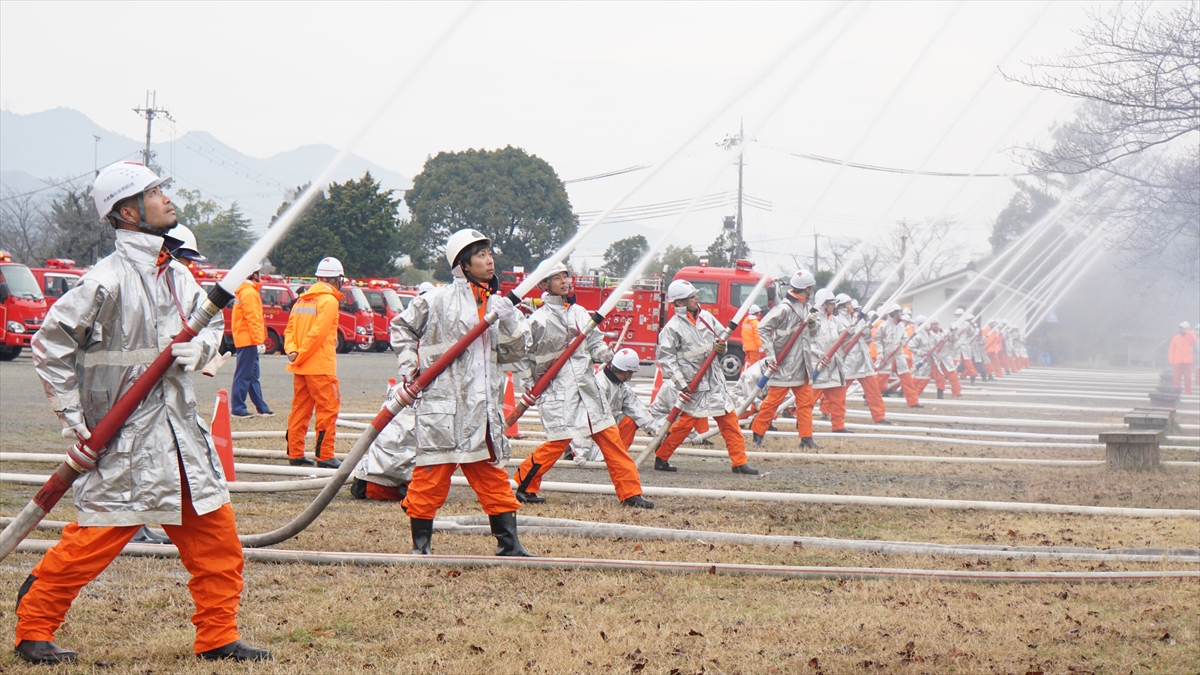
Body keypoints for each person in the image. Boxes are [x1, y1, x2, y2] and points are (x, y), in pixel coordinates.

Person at [17, 162, 269, 664]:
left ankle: (218, 638)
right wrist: (76, 422)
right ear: (128, 212)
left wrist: (197, 351)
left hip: (182, 439)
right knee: (91, 544)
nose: (166, 198)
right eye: (154, 192)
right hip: (126, 442)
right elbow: (49, 347)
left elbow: (211, 330)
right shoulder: (104, 281)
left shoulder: (178, 275)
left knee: (218, 544)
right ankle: (34, 629)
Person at [394, 229, 533, 556]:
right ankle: (421, 547)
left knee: (493, 478)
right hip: (444, 407)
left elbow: (515, 353)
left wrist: (510, 322)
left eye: (489, 253)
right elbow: (402, 327)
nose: (490, 260)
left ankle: (509, 545)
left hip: (482, 412)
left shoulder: (498, 305)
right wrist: (409, 362)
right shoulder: (437, 300)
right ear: (463, 265)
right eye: (481, 255)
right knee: (430, 476)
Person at [511, 265, 653, 508]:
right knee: (557, 443)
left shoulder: (580, 313)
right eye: (557, 278)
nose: (564, 281)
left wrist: (605, 354)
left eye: (566, 276)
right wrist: (529, 382)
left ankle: (631, 493)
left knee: (612, 441)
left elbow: (594, 342)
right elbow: (523, 356)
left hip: (588, 391)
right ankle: (523, 485)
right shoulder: (538, 320)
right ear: (545, 285)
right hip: (559, 392)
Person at [654, 279, 758, 473]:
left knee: (730, 421)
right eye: (692, 296)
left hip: (714, 380)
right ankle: (661, 457)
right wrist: (681, 384)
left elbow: (722, 339)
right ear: (680, 302)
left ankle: (739, 462)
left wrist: (721, 348)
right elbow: (666, 359)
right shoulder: (672, 328)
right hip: (693, 384)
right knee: (685, 424)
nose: (697, 298)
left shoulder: (707, 318)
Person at [283, 257, 345, 469]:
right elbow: (317, 333)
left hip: (300, 367)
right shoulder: (329, 301)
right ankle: (325, 455)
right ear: (337, 279)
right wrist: (300, 354)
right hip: (319, 367)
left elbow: (289, 330)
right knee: (328, 408)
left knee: (300, 409)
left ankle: (295, 452)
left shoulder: (302, 299)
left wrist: (292, 351)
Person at [751, 270, 822, 449]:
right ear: (805, 288)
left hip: (802, 364)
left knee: (806, 403)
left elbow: (812, 332)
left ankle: (806, 438)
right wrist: (770, 354)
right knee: (772, 402)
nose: (812, 290)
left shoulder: (807, 306)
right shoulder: (784, 308)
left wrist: (812, 322)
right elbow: (762, 327)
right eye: (810, 287)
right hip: (784, 365)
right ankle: (757, 434)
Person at [230, 264, 272, 419]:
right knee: (244, 375)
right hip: (248, 340)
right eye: (258, 273)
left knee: (252, 375)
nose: (259, 275)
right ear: (252, 274)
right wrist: (258, 340)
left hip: (246, 339)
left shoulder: (245, 291)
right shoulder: (249, 293)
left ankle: (261, 407)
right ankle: (238, 408)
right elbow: (253, 319)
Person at [839, 297, 890, 425]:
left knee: (874, 391)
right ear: (842, 306)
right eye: (849, 303)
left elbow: (867, 340)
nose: (851, 306)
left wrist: (867, 333)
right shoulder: (837, 320)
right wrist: (846, 334)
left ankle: (879, 417)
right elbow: (837, 341)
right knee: (838, 391)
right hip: (848, 361)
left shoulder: (859, 319)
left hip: (863, 359)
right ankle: (826, 410)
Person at [810, 289, 850, 433]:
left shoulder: (835, 321)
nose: (834, 306)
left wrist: (853, 330)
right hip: (817, 366)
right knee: (808, 401)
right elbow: (805, 342)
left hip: (833, 366)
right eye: (831, 303)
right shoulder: (812, 320)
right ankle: (803, 425)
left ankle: (839, 426)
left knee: (838, 399)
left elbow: (845, 338)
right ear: (823, 304)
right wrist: (819, 354)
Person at [875, 303, 922, 407]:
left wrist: (904, 341)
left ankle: (913, 402)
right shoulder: (883, 326)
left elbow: (904, 338)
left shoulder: (901, 326)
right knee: (881, 379)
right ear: (893, 313)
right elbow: (877, 341)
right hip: (887, 356)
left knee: (907, 378)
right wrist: (880, 353)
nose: (901, 314)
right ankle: (871, 398)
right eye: (899, 312)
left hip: (899, 355)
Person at [1169, 322, 1197, 395]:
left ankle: (1188, 392)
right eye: (1181, 328)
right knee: (1176, 378)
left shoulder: (1190, 338)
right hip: (1177, 361)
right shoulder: (1175, 338)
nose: (1182, 330)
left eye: (1184, 329)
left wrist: (1188, 332)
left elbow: (1195, 340)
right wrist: (1171, 359)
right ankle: (1176, 392)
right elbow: (1172, 350)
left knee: (1187, 378)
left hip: (1187, 361)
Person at [741, 304, 763, 369]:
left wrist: (744, 344)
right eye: (759, 312)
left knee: (747, 362)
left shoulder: (745, 321)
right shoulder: (756, 323)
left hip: (747, 347)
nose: (760, 313)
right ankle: (751, 377)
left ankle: (744, 375)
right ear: (756, 313)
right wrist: (760, 346)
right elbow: (757, 336)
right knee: (754, 364)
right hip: (754, 348)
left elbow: (743, 334)